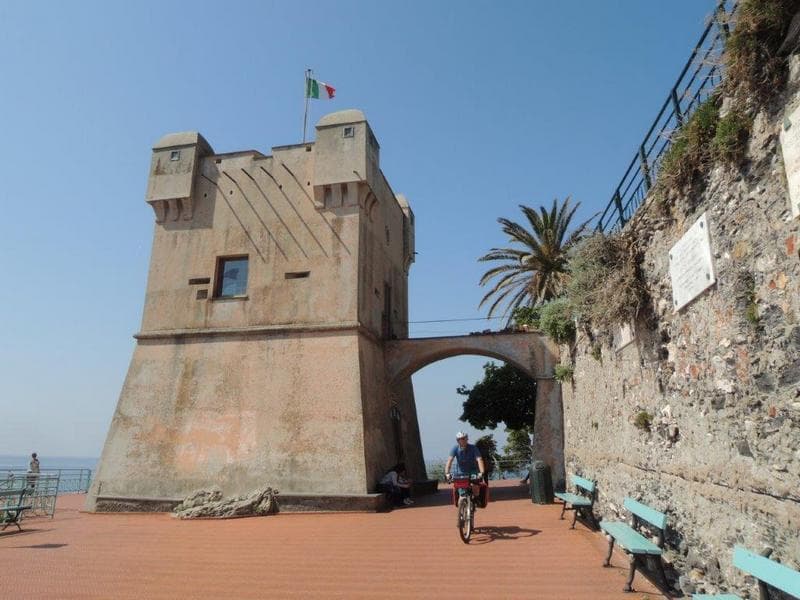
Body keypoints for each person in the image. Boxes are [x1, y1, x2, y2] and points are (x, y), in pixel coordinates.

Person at [444, 432, 487, 506]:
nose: (462, 440)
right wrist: (447, 473)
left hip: (473, 471)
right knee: (461, 490)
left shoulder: (473, 448)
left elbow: (479, 459)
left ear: (467, 439)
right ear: (457, 440)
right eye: (460, 439)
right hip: (460, 472)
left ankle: (476, 499)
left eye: (464, 438)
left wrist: (481, 472)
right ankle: (461, 510)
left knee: (475, 485)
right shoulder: (455, 448)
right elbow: (449, 460)